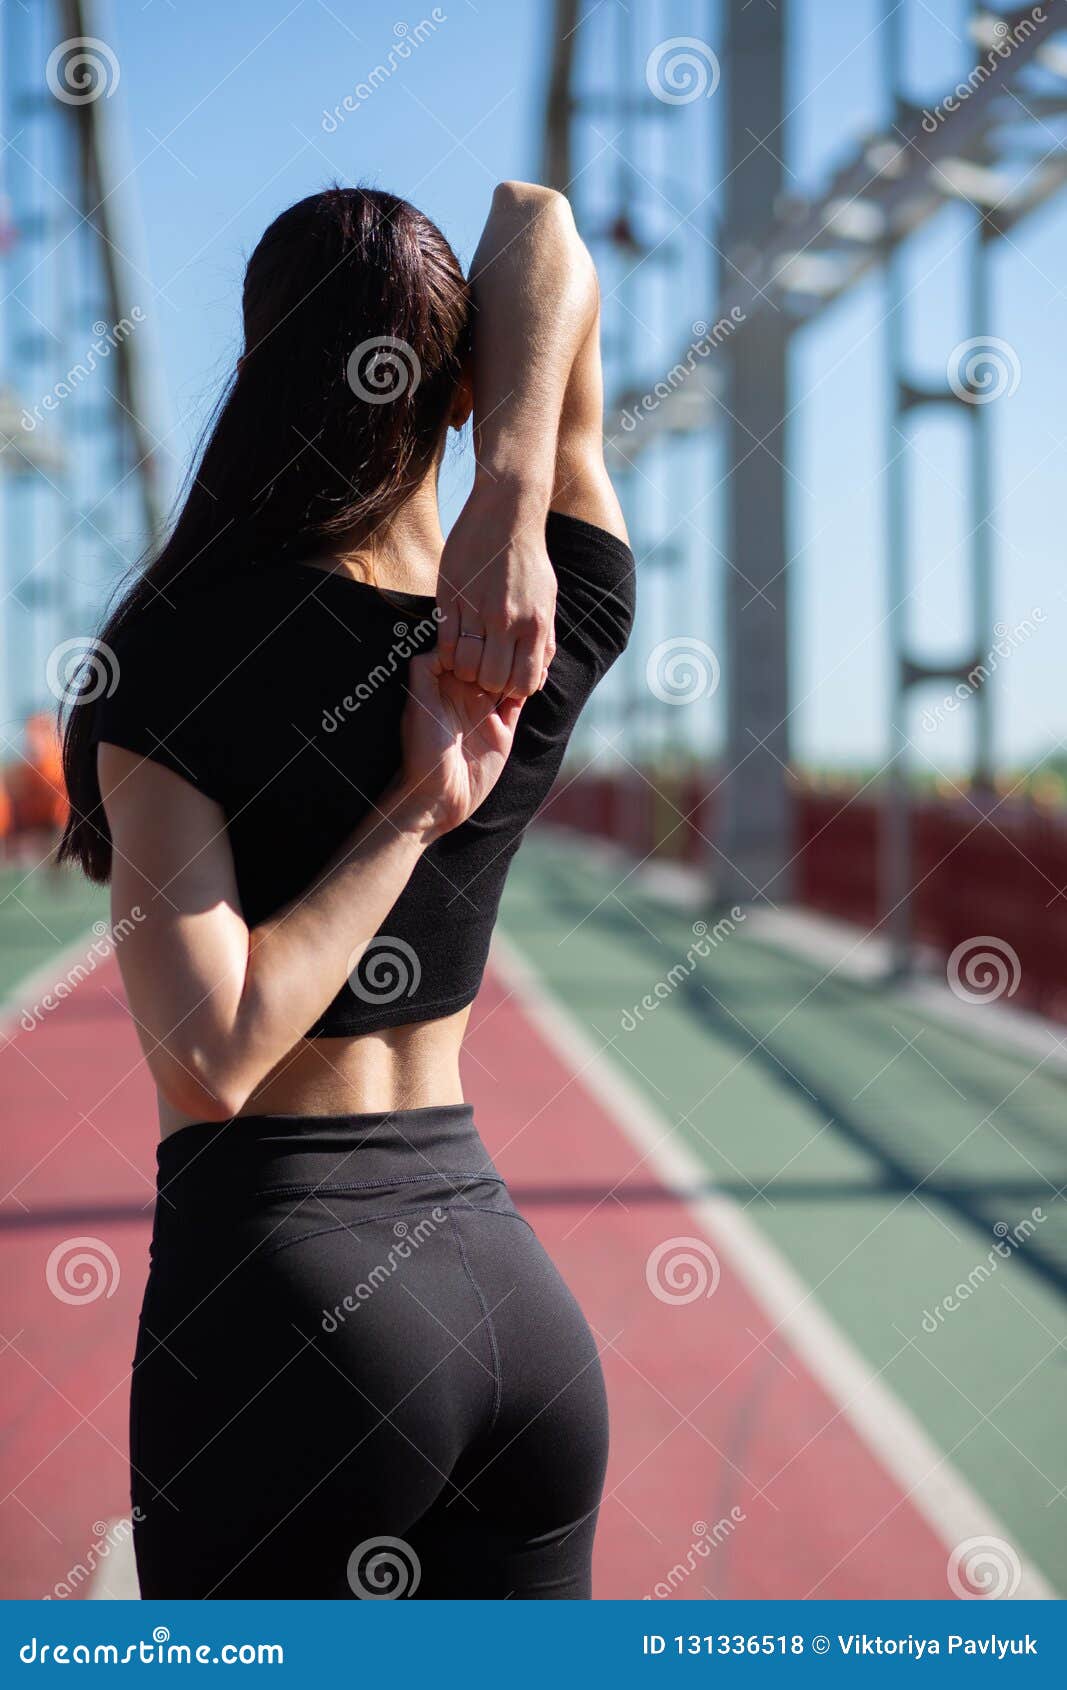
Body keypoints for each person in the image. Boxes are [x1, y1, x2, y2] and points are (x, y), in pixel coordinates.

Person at [58, 181, 634, 1599]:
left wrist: (411, 811)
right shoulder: (528, 623)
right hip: (516, 1319)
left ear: (256, 368)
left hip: (290, 1320)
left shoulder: (174, 658)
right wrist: (507, 500)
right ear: (458, 392)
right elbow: (540, 223)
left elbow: (213, 1053)